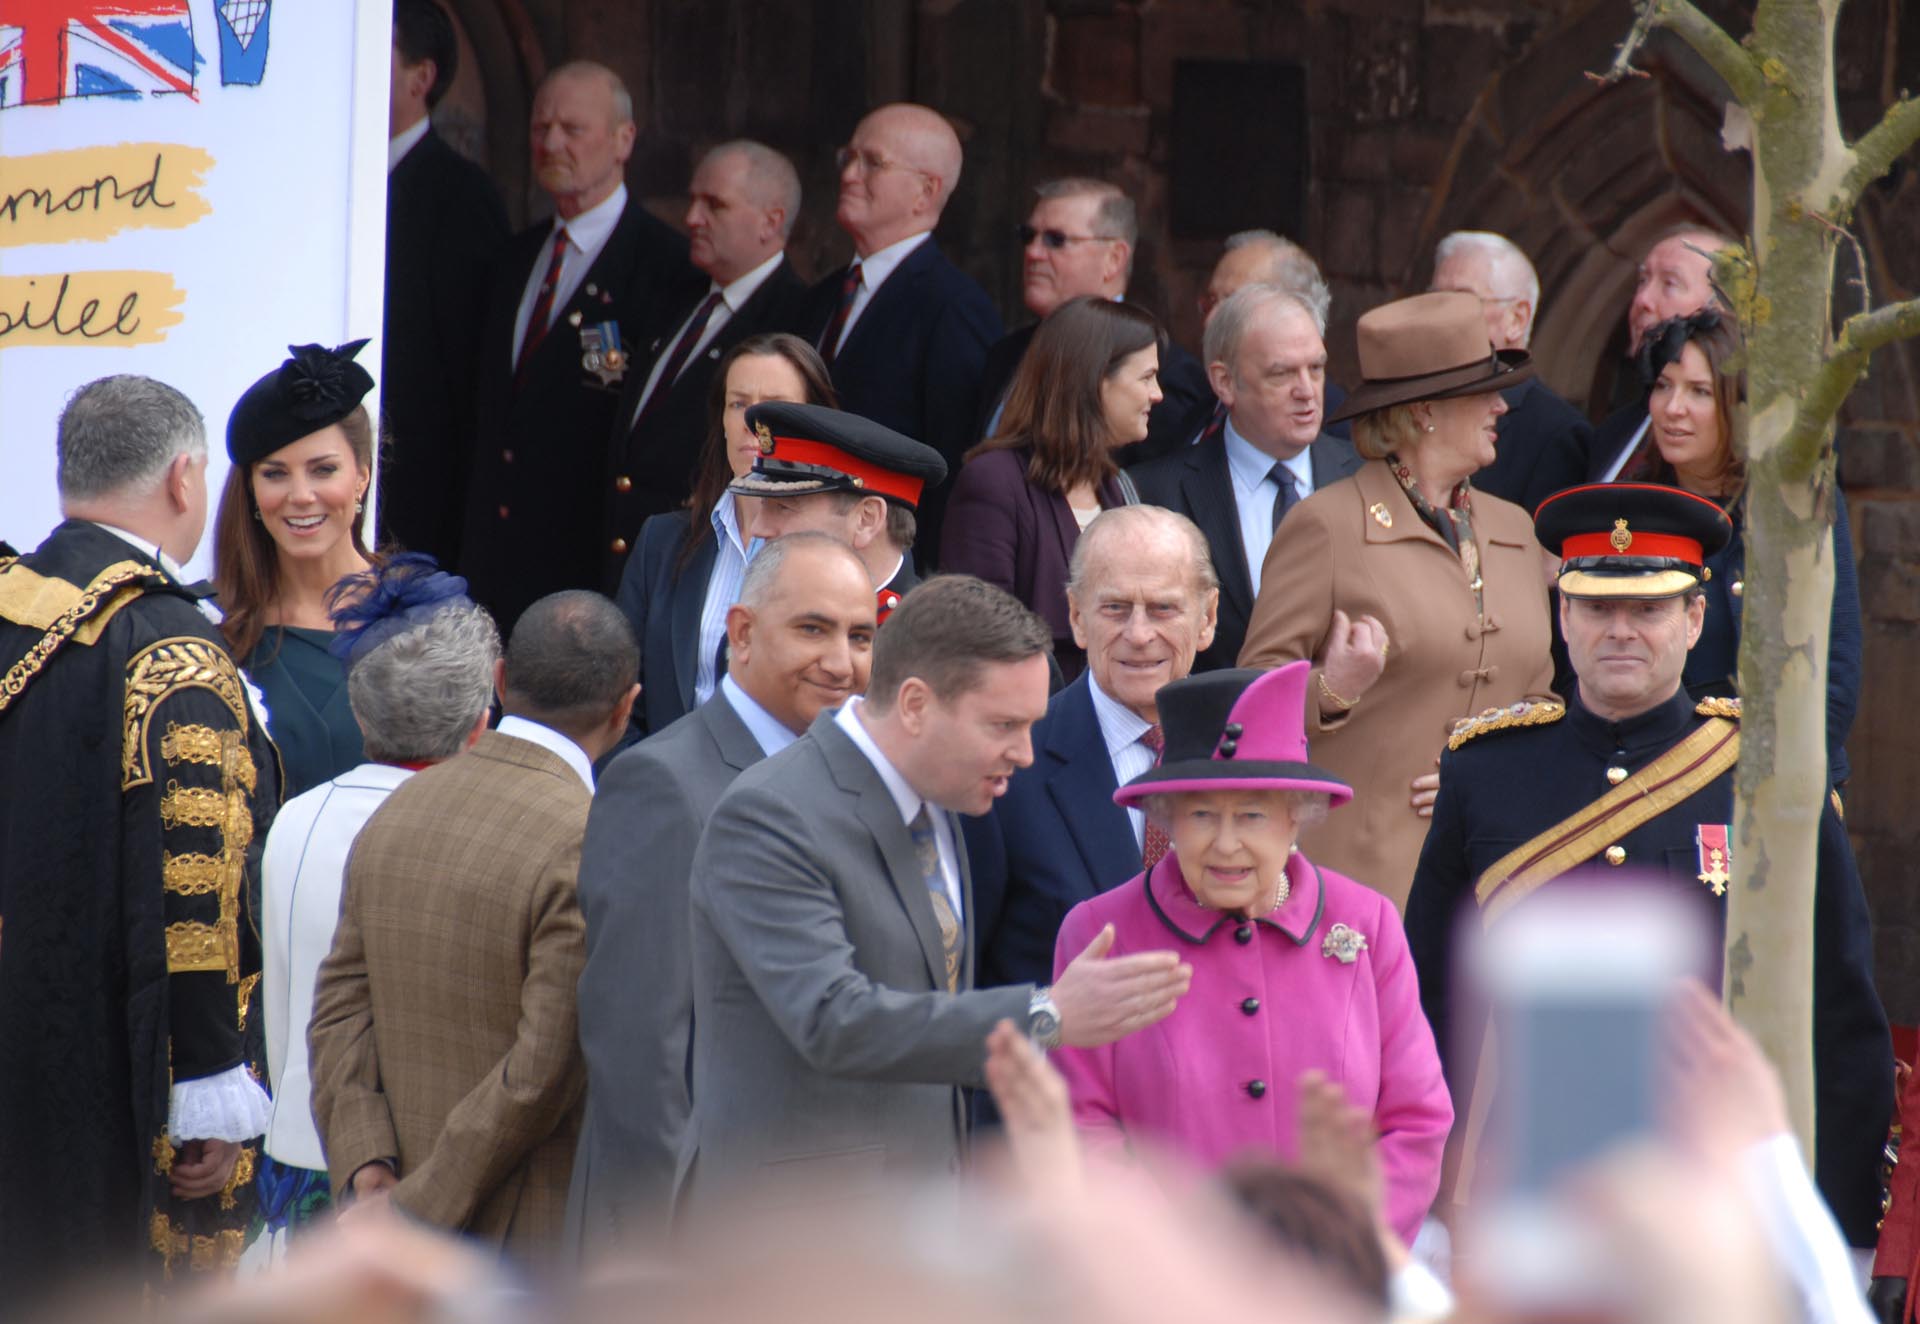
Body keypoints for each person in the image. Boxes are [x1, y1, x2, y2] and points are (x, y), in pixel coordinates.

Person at [1402, 482, 1891, 1251]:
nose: (1619, 631)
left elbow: (1838, 1007)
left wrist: (1839, 1227)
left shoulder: (1767, 778)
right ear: (1564, 616)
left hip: (1718, 1197)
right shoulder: (1485, 773)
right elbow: (1428, 1004)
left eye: (1649, 610)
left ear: (1696, 620)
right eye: (1597, 609)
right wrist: (1425, 1203)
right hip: (1526, 1187)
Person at [677, 575, 1193, 1215]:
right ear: (916, 705)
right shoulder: (771, 814)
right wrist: (1047, 1014)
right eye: (1004, 724)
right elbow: (834, 1020)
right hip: (794, 1235)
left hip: (918, 1226)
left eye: (1031, 725)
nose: (1026, 754)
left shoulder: (948, 802)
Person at [0, 376, 279, 1303]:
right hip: (105, 1080)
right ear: (185, 477)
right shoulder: (170, 647)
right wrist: (204, 1081)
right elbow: (191, 891)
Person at [1049, 662, 1453, 1246]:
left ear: (1296, 817)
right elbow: (1083, 1124)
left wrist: (1340, 1249)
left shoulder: (1367, 923)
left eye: (1252, 815)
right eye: (1203, 815)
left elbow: (1416, 1120)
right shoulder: (1100, 933)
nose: (1227, 842)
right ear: (1167, 821)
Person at [308, 591, 639, 1273]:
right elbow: (541, 1074)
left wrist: (369, 1167)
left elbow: (339, 1008)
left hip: (386, 1214)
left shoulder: (400, 809)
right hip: (516, 1241)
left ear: (500, 680)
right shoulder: (590, 840)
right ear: (626, 707)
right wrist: (414, 1209)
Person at [568, 533, 877, 1256]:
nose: (842, 662)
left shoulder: (855, 784)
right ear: (740, 632)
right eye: (812, 628)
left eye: (860, 636)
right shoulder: (666, 785)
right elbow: (641, 1054)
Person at [1238, 290, 1557, 909]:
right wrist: (1333, 687)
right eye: (1482, 393)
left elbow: (1541, 702)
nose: (1501, 406)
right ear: (1425, 413)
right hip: (1358, 888)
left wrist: (1491, 778)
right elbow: (1248, 703)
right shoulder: (1326, 525)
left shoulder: (1516, 528)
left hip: (1493, 886)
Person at [257, 556, 495, 1249]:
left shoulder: (296, 818)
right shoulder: (467, 834)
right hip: (402, 1179)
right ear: (480, 725)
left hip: (297, 1149)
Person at [460, 61, 702, 633]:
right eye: (541, 128)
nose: (551, 143)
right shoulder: (514, 258)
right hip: (491, 569)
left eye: (572, 129)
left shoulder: (666, 267)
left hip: (581, 574)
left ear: (624, 140)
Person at [965, 506, 1220, 993]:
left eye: (1163, 608)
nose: (1139, 634)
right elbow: (965, 981)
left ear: (1207, 617)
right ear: (1077, 618)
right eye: (1115, 609)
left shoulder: (1245, 753)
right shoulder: (1008, 766)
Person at [1613, 311, 1861, 791]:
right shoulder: (1630, 510)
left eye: (1699, 392)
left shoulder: (1798, 505)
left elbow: (1836, 680)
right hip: (1649, 794)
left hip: (1776, 795)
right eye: (1663, 386)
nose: (1672, 408)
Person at [602, 141, 813, 587]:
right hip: (624, 559)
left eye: (714, 205)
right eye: (693, 200)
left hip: (695, 566)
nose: (692, 218)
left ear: (771, 221)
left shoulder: (794, 322)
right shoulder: (675, 295)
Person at [803, 102, 1004, 561]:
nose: (850, 174)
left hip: (883, 564)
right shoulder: (821, 298)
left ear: (925, 192)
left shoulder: (954, 308)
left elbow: (951, 465)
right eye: (848, 158)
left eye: (872, 162)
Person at [1129, 285, 1362, 672]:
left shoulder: (1368, 478)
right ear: (1224, 382)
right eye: (1281, 373)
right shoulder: (1155, 493)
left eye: (1316, 368)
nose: (1306, 391)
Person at [615, 334, 838, 736]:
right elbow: (621, 698)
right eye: (739, 404)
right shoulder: (661, 543)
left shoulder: (849, 554)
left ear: (816, 425)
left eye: (775, 407)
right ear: (721, 420)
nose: (753, 423)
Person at [940, 298, 1165, 678]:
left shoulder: (1119, 489)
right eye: (1146, 378)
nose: (1157, 394)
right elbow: (975, 639)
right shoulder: (994, 482)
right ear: (1093, 381)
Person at [214, 340, 379, 800]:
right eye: (275, 473)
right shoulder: (206, 626)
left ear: (362, 474)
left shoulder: (430, 618)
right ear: (249, 488)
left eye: (323, 470)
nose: (301, 495)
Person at [380, 0, 509, 566]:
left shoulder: (461, 196)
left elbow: (461, 373)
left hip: (415, 497)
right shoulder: (328, 175)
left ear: (421, 77)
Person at [974, 179, 1211, 462]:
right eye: (1028, 235)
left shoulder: (1168, 375)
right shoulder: (1006, 353)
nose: (1033, 253)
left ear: (1114, 258)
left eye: (1055, 239)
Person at [730, 400, 947, 619]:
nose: (758, 527)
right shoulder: (758, 626)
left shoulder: (933, 643)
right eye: (764, 505)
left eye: (783, 507)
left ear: (866, 520)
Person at [1429, 230, 1591, 512]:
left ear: (1517, 319)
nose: (1442, 315)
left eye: (1462, 300)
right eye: (1435, 299)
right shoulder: (1417, 399)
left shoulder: (1556, 433)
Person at [1587, 225, 1736, 481]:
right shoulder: (1614, 430)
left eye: (1670, 283)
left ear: (1723, 307)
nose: (1642, 300)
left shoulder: (1764, 455)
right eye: (1643, 280)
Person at [1197, 229, 1348, 435]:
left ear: (1295, 309)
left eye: (1233, 304)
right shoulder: (1202, 404)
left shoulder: (1339, 431)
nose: (1211, 319)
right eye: (1211, 301)